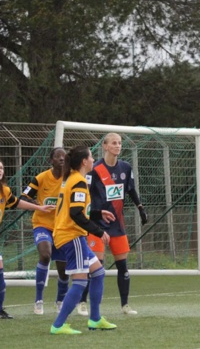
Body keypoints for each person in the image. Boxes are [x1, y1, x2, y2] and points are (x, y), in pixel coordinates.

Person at [78, 133, 148, 316]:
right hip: (96, 225)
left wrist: (140, 207)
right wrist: (93, 215)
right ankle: (83, 302)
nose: (118, 146)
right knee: (96, 265)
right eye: (114, 143)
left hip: (117, 225)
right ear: (105, 146)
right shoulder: (95, 169)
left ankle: (125, 305)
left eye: (119, 143)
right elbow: (84, 195)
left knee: (123, 266)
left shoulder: (125, 167)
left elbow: (131, 189)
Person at [50, 146, 117, 334]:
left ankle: (95, 319)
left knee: (98, 273)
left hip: (69, 234)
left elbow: (76, 209)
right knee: (80, 282)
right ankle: (58, 325)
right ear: (84, 162)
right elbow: (76, 214)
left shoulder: (71, 179)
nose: (93, 159)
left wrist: (96, 213)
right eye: (91, 156)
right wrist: (98, 231)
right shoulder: (78, 181)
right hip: (72, 236)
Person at [0, 159, 55, 319]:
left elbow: (17, 203)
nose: (0, 170)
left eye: (2, 167)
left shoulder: (4, 191)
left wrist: (39, 207)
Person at [20, 147, 70, 315]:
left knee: (63, 268)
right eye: (58, 156)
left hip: (62, 228)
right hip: (42, 224)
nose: (62, 159)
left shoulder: (70, 179)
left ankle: (60, 300)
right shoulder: (41, 178)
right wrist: (38, 206)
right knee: (45, 254)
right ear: (51, 160)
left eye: (64, 156)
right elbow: (23, 197)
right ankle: (39, 300)